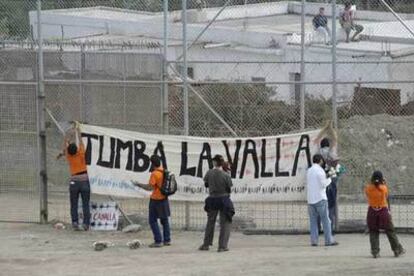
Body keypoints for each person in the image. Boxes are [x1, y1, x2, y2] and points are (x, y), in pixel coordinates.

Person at [57, 122, 90, 231]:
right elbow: (80, 140)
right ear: (76, 149)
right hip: (84, 181)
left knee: (74, 204)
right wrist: (78, 129)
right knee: (85, 204)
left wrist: (67, 133)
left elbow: (65, 143)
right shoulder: (81, 153)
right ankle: (86, 224)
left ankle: (75, 222)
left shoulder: (69, 156)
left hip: (74, 182)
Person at [132, 155, 171, 248]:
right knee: (164, 220)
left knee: (152, 220)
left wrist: (138, 184)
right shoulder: (164, 171)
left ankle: (158, 240)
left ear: (152, 164)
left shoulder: (154, 174)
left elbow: (150, 187)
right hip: (164, 198)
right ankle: (167, 240)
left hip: (156, 199)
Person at [365, 171, 405, 258]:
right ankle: (397, 249)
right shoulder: (384, 188)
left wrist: (372, 182)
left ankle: (375, 251)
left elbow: (368, 193)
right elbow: (386, 194)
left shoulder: (368, 188)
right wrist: (383, 182)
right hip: (383, 212)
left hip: (372, 211)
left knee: (373, 231)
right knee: (390, 231)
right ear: (381, 179)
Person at [199, 154, 234, 252]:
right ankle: (222, 246)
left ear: (214, 162)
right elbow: (229, 188)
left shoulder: (209, 173)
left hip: (212, 199)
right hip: (223, 199)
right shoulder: (226, 175)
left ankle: (206, 244)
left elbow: (206, 184)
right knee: (225, 222)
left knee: (210, 222)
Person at [306, 154, 338, 246]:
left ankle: (314, 241)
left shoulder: (309, 170)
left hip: (310, 199)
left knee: (313, 221)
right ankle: (328, 240)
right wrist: (330, 179)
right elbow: (324, 184)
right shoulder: (320, 171)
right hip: (320, 198)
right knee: (326, 220)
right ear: (320, 160)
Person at [315, 121, 341, 233]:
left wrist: (324, 128)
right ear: (328, 145)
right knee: (331, 205)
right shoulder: (331, 151)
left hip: (319, 181)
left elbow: (317, 138)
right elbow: (335, 139)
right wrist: (329, 128)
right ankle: (330, 229)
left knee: (320, 204)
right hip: (331, 180)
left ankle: (318, 227)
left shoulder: (317, 152)